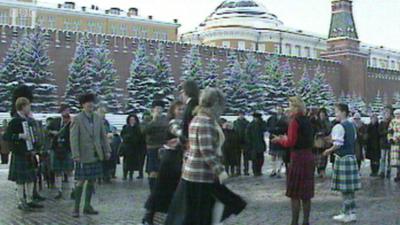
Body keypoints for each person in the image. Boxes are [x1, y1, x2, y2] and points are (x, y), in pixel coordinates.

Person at [165, 88, 246, 225]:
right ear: (215, 104)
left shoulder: (197, 118)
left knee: (198, 214)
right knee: (204, 214)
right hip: (201, 175)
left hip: (194, 174)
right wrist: (220, 170)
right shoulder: (206, 121)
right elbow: (206, 151)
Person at [271, 96, 315, 225]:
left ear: (296, 107)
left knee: (295, 194)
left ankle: (294, 222)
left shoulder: (294, 121)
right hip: (308, 157)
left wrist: (280, 139)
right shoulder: (307, 121)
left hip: (297, 158)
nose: (288, 108)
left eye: (290, 105)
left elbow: (291, 142)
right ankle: (306, 222)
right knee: (306, 194)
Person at [142, 100, 185, 225]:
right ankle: (152, 214)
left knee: (168, 188)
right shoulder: (172, 123)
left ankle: (157, 214)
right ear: (173, 111)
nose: (181, 112)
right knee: (163, 187)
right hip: (169, 158)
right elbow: (179, 133)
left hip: (175, 156)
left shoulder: (182, 122)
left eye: (183, 109)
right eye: (179, 109)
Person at [70, 93, 111, 217]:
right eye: (87, 103)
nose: (90, 105)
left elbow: (103, 136)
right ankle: (76, 208)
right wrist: (75, 154)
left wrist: (107, 150)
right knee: (81, 181)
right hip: (83, 155)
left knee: (92, 180)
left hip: (96, 154)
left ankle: (87, 206)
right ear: (83, 105)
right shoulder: (77, 119)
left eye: (92, 102)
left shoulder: (98, 118)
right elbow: (73, 138)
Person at [323, 104, 361, 223]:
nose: (335, 114)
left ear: (344, 112)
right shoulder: (352, 125)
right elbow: (351, 140)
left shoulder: (339, 126)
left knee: (345, 190)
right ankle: (352, 213)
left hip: (343, 158)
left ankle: (346, 213)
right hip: (351, 158)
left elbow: (338, 144)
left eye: (337, 111)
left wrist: (328, 151)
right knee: (350, 190)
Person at [4, 97, 44, 211]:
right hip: (19, 153)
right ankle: (21, 201)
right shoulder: (15, 121)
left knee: (31, 178)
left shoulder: (28, 120)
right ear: (22, 107)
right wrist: (19, 136)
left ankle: (30, 200)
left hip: (28, 153)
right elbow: (6, 136)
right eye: (28, 106)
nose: (29, 108)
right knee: (20, 179)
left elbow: (33, 135)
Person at [48, 104, 74, 199]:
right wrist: (52, 133)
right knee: (57, 171)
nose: (67, 112)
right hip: (56, 148)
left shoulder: (72, 122)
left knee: (69, 170)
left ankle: (72, 190)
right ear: (61, 112)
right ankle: (59, 191)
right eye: (65, 111)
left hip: (67, 148)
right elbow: (46, 131)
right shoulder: (55, 121)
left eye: (68, 110)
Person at [142, 100, 169, 192]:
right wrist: (153, 121)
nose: (158, 110)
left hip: (163, 147)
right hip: (152, 148)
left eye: (160, 108)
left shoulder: (166, 119)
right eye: (156, 108)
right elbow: (144, 130)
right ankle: (152, 190)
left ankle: (161, 190)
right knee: (152, 171)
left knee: (162, 170)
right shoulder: (147, 119)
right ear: (152, 109)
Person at [120, 114, 146, 180]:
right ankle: (125, 175)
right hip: (127, 148)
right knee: (126, 162)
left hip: (135, 148)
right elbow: (122, 135)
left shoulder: (138, 128)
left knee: (133, 163)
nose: (132, 121)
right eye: (131, 120)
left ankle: (131, 175)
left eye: (133, 120)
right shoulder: (125, 127)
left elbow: (140, 137)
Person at [267, 106, 288, 178]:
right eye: (277, 109)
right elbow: (268, 127)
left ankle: (279, 170)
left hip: (281, 138)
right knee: (273, 156)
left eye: (280, 109)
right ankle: (273, 170)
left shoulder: (285, 118)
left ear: (282, 110)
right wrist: (273, 130)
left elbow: (287, 128)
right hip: (273, 137)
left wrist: (279, 130)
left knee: (280, 156)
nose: (279, 111)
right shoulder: (271, 118)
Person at [246, 112, 267, 176]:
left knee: (261, 160)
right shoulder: (250, 125)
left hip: (260, 144)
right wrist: (249, 144)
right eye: (255, 118)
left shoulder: (261, 124)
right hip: (253, 145)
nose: (256, 119)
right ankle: (255, 172)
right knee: (254, 160)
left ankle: (259, 171)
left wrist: (261, 121)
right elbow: (247, 135)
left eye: (257, 118)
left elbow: (265, 128)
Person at [313, 108, 332, 178]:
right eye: (321, 114)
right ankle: (317, 170)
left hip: (324, 142)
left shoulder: (327, 122)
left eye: (323, 114)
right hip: (316, 143)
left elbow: (329, 130)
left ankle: (322, 170)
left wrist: (323, 133)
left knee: (323, 157)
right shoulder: (315, 121)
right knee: (315, 157)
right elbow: (313, 129)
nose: (322, 115)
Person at [96, 107, 113, 183]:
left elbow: (109, 130)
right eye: (101, 113)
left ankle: (106, 176)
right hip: (98, 144)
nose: (103, 115)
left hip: (105, 143)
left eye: (104, 113)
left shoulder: (106, 122)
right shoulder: (95, 121)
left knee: (106, 161)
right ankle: (99, 176)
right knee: (99, 161)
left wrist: (110, 134)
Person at [379, 106, 393, 178]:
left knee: (389, 158)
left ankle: (388, 170)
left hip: (390, 143)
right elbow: (379, 133)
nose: (387, 115)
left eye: (388, 113)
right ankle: (382, 171)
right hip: (383, 143)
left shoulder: (392, 122)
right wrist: (387, 132)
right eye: (386, 113)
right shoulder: (381, 123)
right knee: (383, 158)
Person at [388, 109, 400, 182]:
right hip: (395, 143)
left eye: (398, 114)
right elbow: (389, 131)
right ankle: (397, 174)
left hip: (398, 140)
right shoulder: (392, 121)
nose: (397, 115)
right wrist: (390, 138)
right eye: (396, 114)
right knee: (396, 161)